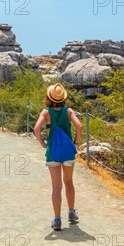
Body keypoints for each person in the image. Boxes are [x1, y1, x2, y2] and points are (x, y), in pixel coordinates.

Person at [33, 83, 82, 231]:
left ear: (48, 97)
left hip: (53, 152)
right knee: (69, 182)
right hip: (67, 151)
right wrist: (76, 141)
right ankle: (72, 213)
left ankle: (57, 220)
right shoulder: (68, 111)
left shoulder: (46, 113)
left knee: (56, 187)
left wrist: (43, 143)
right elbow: (79, 126)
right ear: (63, 98)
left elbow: (36, 129)